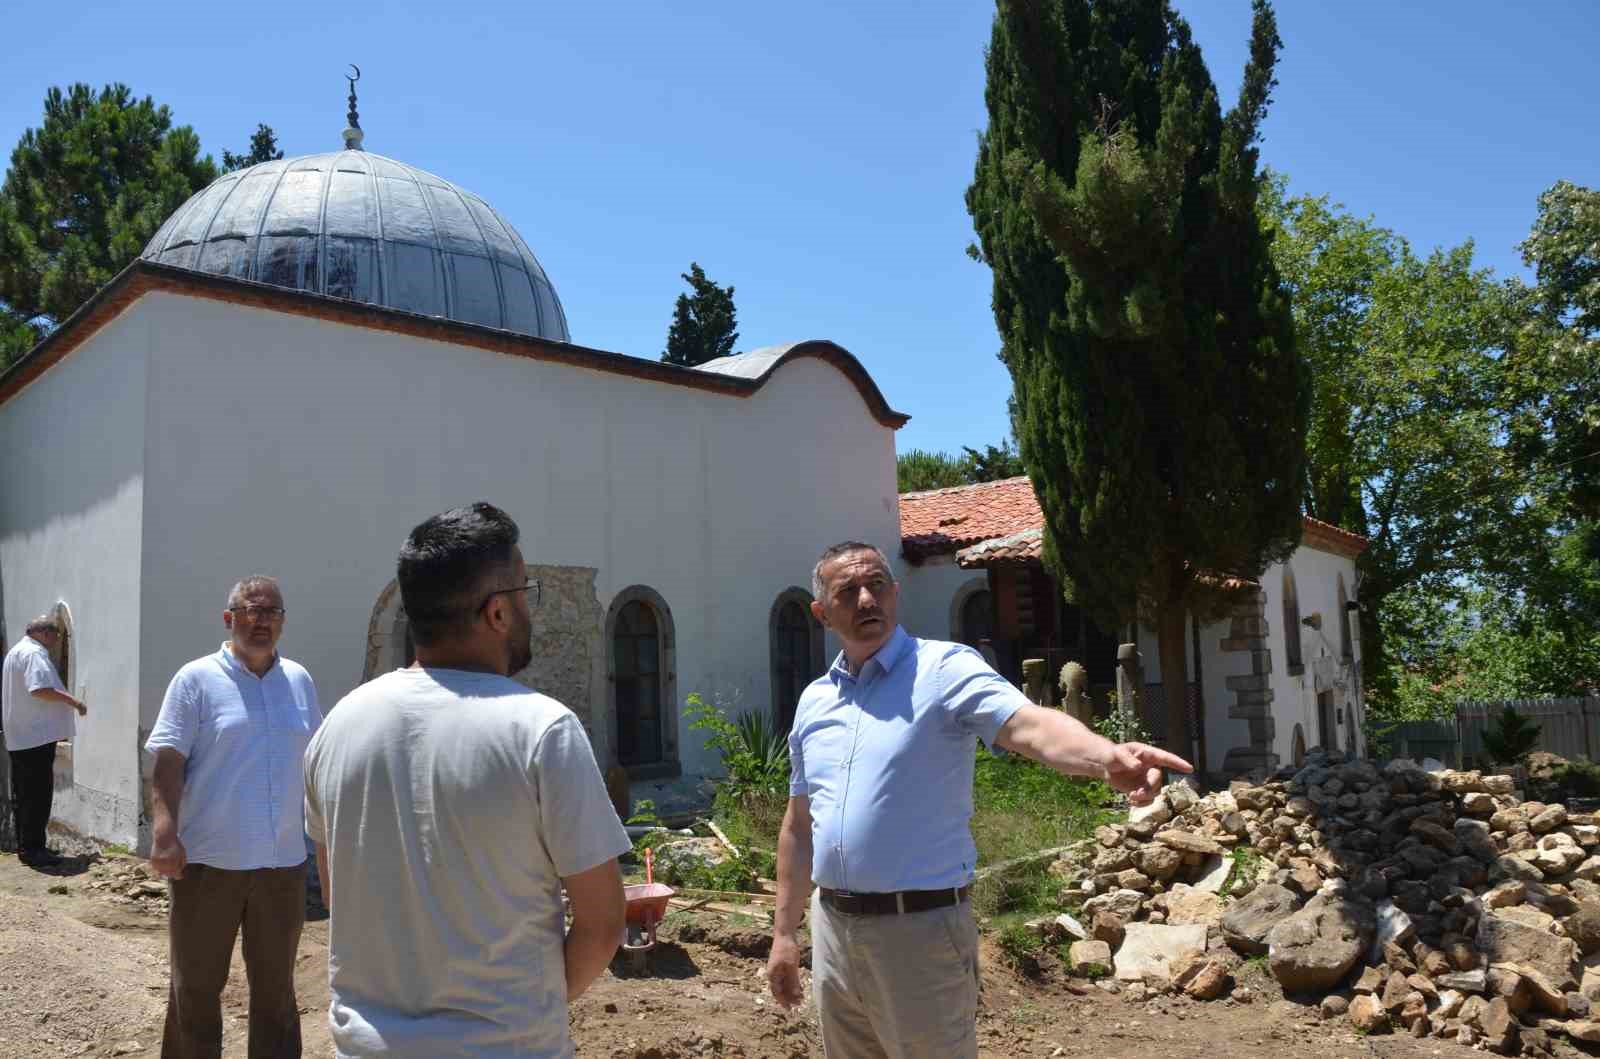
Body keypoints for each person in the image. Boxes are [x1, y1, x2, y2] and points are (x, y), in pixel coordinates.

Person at [766, 541, 1193, 1058]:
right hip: (832, 930)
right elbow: (798, 826)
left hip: (918, 933)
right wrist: (784, 935)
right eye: (847, 591)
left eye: (877, 585)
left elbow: (1027, 725)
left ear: (895, 593)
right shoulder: (815, 701)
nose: (865, 600)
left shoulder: (943, 670)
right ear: (821, 612)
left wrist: (1106, 758)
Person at [303, 502, 629, 1058]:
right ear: (497, 613)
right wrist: (533, 1007)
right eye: (526, 593)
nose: (531, 611)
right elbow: (602, 924)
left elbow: (338, 893)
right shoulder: (542, 729)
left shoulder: (338, 725)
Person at [144, 576, 322, 1058]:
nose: (262, 621)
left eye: (273, 612)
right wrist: (164, 833)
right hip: (207, 863)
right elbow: (167, 760)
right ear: (229, 618)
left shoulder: (300, 681)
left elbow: (314, 765)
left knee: (277, 993)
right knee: (196, 990)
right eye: (251, 610)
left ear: (283, 621)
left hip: (282, 865)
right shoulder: (196, 679)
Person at [2, 614, 86, 867]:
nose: (56, 640)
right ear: (44, 633)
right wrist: (74, 701)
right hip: (35, 737)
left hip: (22, 736)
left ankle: (27, 847)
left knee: (25, 794)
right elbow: (39, 689)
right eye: (55, 635)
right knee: (37, 795)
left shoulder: (18, 651)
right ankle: (35, 850)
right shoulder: (34, 653)